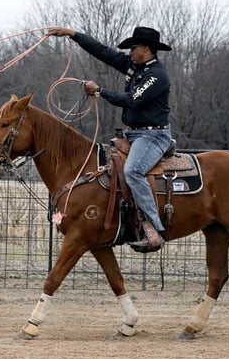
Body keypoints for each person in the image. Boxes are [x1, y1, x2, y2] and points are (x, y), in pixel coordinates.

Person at [47, 25, 173, 252]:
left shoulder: (157, 75)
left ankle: (153, 228)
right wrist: (73, 34)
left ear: (146, 49)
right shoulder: (134, 67)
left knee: (132, 171)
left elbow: (131, 99)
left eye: (133, 48)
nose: (130, 52)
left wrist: (99, 91)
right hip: (134, 134)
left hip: (153, 136)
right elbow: (103, 52)